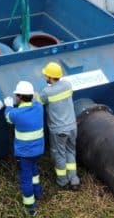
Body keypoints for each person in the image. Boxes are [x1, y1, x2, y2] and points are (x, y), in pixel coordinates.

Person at [0, 80, 44, 217]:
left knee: (26, 177)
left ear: (19, 97)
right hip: (38, 150)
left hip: (25, 153)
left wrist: (9, 105)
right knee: (34, 170)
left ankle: (31, 206)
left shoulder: (16, 114)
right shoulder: (39, 108)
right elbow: (36, 100)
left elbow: (8, 117)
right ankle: (38, 192)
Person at [37, 62, 80, 190]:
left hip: (59, 130)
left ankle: (62, 181)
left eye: (46, 75)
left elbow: (38, 102)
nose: (45, 77)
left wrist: (35, 95)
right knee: (70, 151)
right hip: (72, 126)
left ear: (50, 77)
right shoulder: (67, 85)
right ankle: (74, 179)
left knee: (59, 154)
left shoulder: (46, 91)